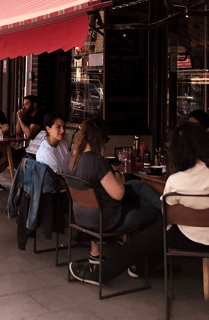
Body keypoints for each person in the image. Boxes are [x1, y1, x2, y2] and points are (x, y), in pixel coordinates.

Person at [69, 123, 209, 285]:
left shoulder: (176, 180)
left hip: (185, 240)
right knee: (155, 231)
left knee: (145, 238)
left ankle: (101, 275)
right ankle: (141, 267)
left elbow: (166, 215)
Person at [66, 118, 162, 279]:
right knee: (155, 214)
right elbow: (118, 194)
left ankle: (95, 254)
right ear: (99, 138)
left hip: (83, 216)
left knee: (136, 186)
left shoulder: (74, 159)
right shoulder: (97, 161)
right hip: (109, 220)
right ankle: (138, 263)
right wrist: (116, 174)